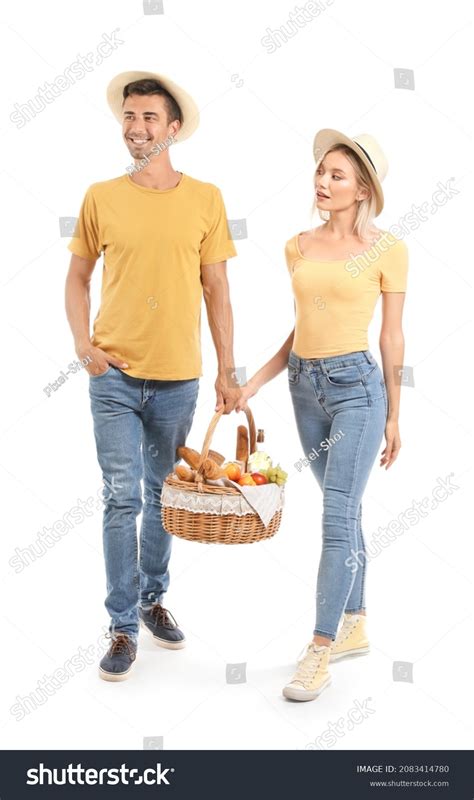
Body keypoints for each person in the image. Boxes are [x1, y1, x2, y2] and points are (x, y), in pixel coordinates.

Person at [65, 70, 241, 681]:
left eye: (148, 118)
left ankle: (152, 600)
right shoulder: (100, 196)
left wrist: (227, 370)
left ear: (172, 129)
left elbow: (217, 287)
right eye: (129, 117)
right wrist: (85, 348)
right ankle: (120, 625)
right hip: (112, 376)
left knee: (161, 496)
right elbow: (77, 278)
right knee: (120, 496)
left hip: (178, 379)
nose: (136, 128)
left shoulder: (206, 199)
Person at [236, 129, 409, 701]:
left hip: (358, 390)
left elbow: (392, 337)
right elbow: (301, 329)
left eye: (337, 175)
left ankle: (318, 650)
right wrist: (253, 383)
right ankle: (356, 621)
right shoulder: (298, 246)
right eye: (320, 173)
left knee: (336, 518)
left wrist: (393, 413)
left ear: (363, 189)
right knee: (347, 507)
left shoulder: (388, 250)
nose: (323, 182)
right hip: (304, 388)